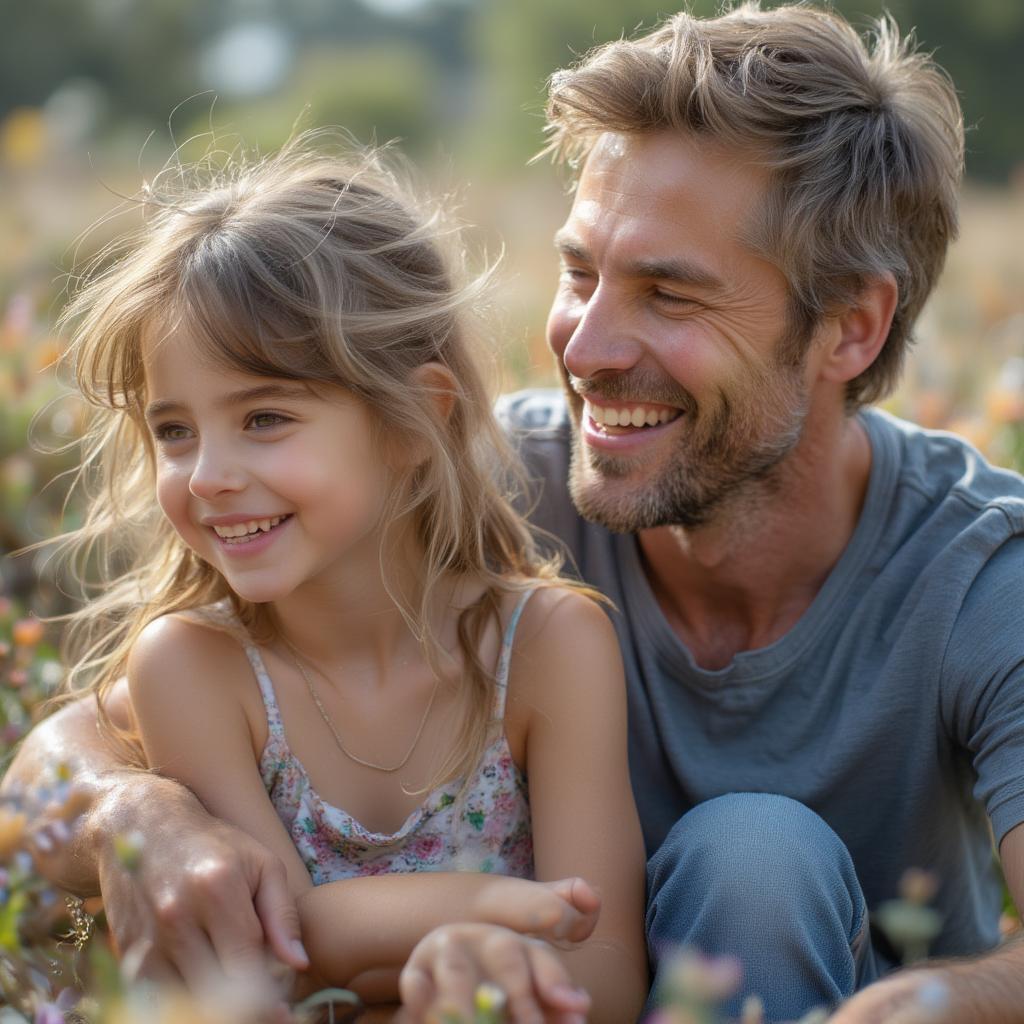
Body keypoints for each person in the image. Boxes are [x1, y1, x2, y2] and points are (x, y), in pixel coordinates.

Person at [8, 2, 1023, 1021]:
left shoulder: (983, 574)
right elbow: (49, 769)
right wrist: (137, 812)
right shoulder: (459, 485)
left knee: (756, 856)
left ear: (849, 329)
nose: (584, 348)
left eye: (669, 296)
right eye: (581, 273)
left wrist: (921, 1006)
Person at [19, 134, 646, 1022]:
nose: (207, 476)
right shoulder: (194, 669)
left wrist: (486, 962)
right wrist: (483, 918)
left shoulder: (550, 644)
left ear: (415, 421)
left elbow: (612, 975)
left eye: (265, 417)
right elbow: (272, 954)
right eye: (174, 431)